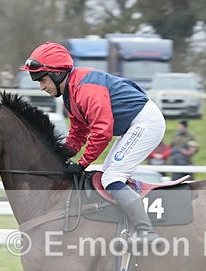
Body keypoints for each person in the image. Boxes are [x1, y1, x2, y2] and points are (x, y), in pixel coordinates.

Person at [22, 41, 166, 244]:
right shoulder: (70, 93)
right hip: (133, 125)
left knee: (112, 177)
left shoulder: (85, 89)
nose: (41, 87)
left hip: (145, 123)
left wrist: (81, 164)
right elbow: (79, 132)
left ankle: (146, 232)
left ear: (57, 74)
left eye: (43, 80)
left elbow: (102, 132)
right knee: (107, 175)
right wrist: (59, 155)